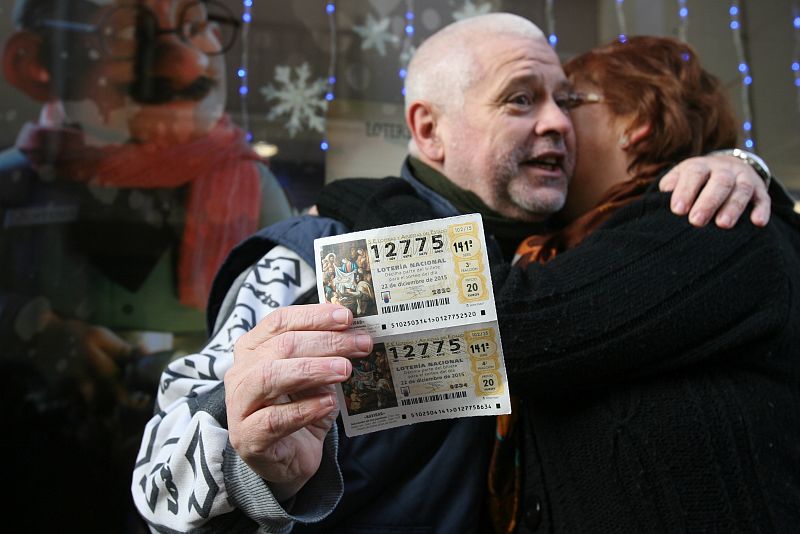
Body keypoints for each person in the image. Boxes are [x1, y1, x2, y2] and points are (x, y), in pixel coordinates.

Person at [131, 13, 774, 533]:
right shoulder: (320, 250)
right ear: (428, 129)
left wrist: (734, 161)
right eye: (521, 99)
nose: (557, 122)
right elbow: (159, 482)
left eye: (565, 101)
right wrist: (255, 468)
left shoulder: (569, 260)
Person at [485, 36, 800, 532]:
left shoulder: (710, 220)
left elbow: (512, 326)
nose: (554, 124)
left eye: (570, 102)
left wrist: (380, 206)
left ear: (638, 124)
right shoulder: (574, 245)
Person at [1, 0, 292, 530]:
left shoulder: (248, 187)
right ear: (34, 62)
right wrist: (34, 328)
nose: (184, 63)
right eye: (127, 34)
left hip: (188, 461)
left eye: (194, 26)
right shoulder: (15, 187)